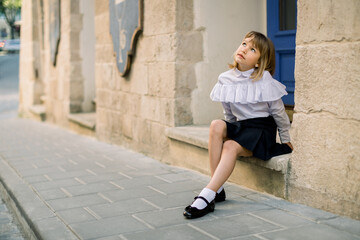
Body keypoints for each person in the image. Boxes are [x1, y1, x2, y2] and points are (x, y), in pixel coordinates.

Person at [183, 31, 293, 219]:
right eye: (244, 44)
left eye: (252, 50)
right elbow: (228, 114)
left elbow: (279, 114)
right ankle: (217, 189)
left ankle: (207, 195)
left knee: (230, 146)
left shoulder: (265, 80)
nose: (244, 49)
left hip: (261, 130)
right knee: (216, 124)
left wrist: (286, 139)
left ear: (258, 62)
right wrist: (227, 130)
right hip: (242, 127)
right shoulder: (225, 78)